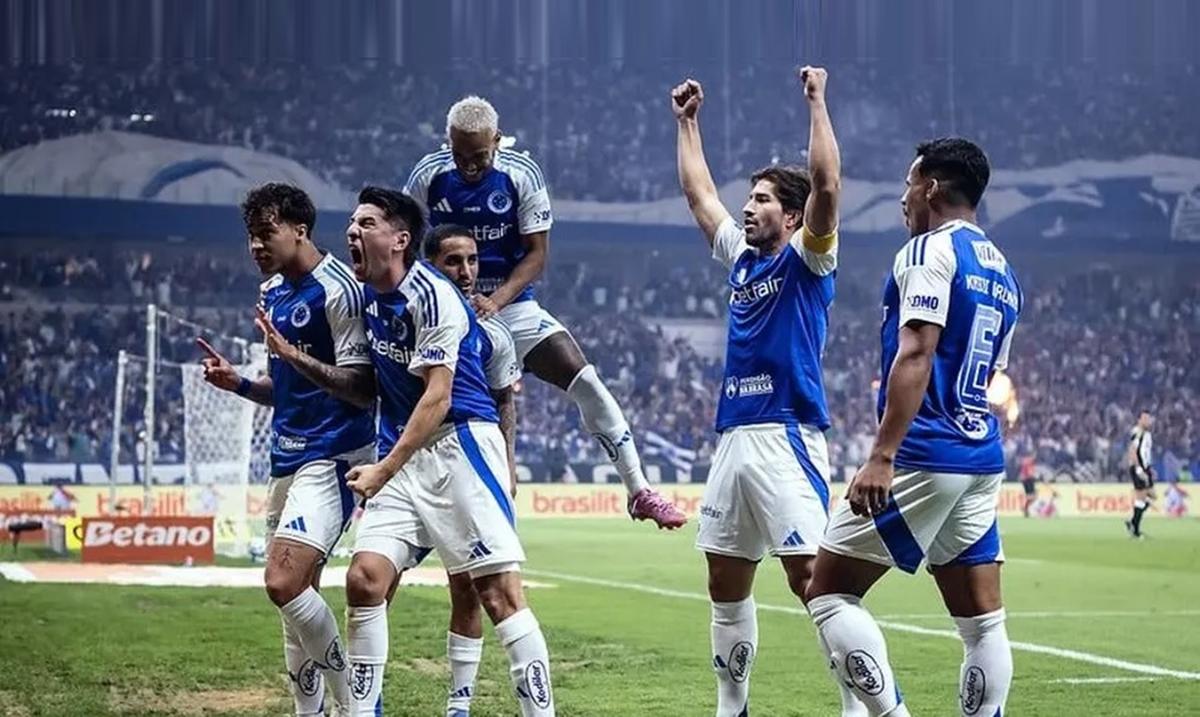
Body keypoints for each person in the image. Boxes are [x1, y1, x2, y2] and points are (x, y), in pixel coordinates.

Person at [805, 138, 1021, 717]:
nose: (903, 197)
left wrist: (882, 455)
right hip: (979, 455)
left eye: (908, 183)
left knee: (827, 590)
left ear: (931, 187)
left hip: (926, 451)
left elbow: (918, 351)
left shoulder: (928, 250)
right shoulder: (1004, 272)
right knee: (982, 622)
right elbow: (990, 373)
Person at [404, 96, 686, 530]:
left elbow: (537, 255)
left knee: (586, 381)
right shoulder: (428, 175)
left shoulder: (521, 173)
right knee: (421, 395)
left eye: (479, 156)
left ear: (497, 141)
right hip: (448, 313)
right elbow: (406, 245)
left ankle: (640, 491)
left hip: (511, 306)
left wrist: (496, 301)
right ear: (448, 142)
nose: (470, 167)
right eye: (460, 156)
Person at [674, 67, 859, 716]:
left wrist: (816, 101)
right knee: (724, 580)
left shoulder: (808, 258)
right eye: (748, 199)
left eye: (760, 199)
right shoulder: (743, 259)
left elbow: (828, 184)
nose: (747, 207)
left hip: (786, 433)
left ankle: (857, 704)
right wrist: (687, 123)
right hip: (734, 436)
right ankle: (733, 708)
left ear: (792, 215)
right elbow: (699, 195)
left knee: (812, 579)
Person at [339, 187, 555, 716]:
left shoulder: (434, 296)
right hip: (402, 452)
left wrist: (382, 471)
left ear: (399, 239)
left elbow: (437, 397)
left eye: (366, 223)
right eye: (352, 223)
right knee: (364, 580)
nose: (352, 231)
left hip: (460, 446)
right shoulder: (364, 294)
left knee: (498, 595)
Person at [199, 183, 377, 717]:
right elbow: (287, 389)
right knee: (296, 599)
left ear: (300, 230)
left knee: (281, 583)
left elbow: (361, 388)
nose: (255, 245)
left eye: (266, 233)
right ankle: (309, 711)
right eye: (250, 235)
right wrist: (239, 384)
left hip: (334, 454)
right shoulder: (273, 292)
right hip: (286, 456)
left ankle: (355, 707)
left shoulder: (340, 290)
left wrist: (291, 355)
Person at [1125, 410, 1155, 538]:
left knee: (1152, 496)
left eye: (1149, 418)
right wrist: (1138, 468)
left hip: (1146, 467)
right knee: (1141, 497)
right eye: (1145, 418)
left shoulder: (1147, 434)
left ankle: (1132, 522)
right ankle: (1135, 530)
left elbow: (1146, 453)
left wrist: (1149, 468)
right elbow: (1132, 450)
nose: (1148, 421)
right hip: (1139, 467)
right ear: (1139, 420)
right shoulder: (1137, 432)